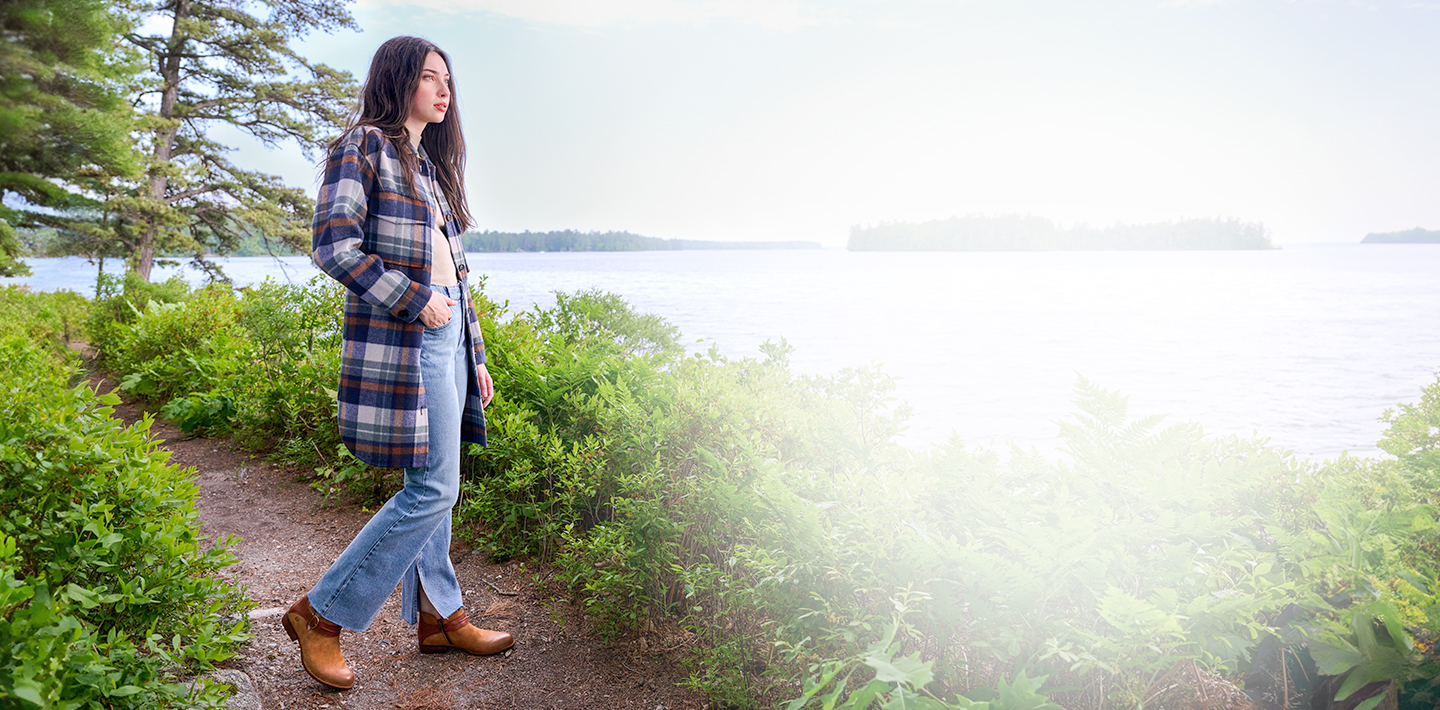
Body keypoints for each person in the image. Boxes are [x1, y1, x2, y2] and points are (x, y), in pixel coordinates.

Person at [283, 35, 513, 691]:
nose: (444, 91)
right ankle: (321, 615)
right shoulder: (363, 147)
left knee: (435, 483)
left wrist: (477, 356)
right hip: (408, 336)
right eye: (430, 78)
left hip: (447, 336)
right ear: (398, 81)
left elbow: (454, 275)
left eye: (449, 80)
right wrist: (414, 301)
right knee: (435, 488)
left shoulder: (430, 169)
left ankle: (440, 616)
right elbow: (334, 246)